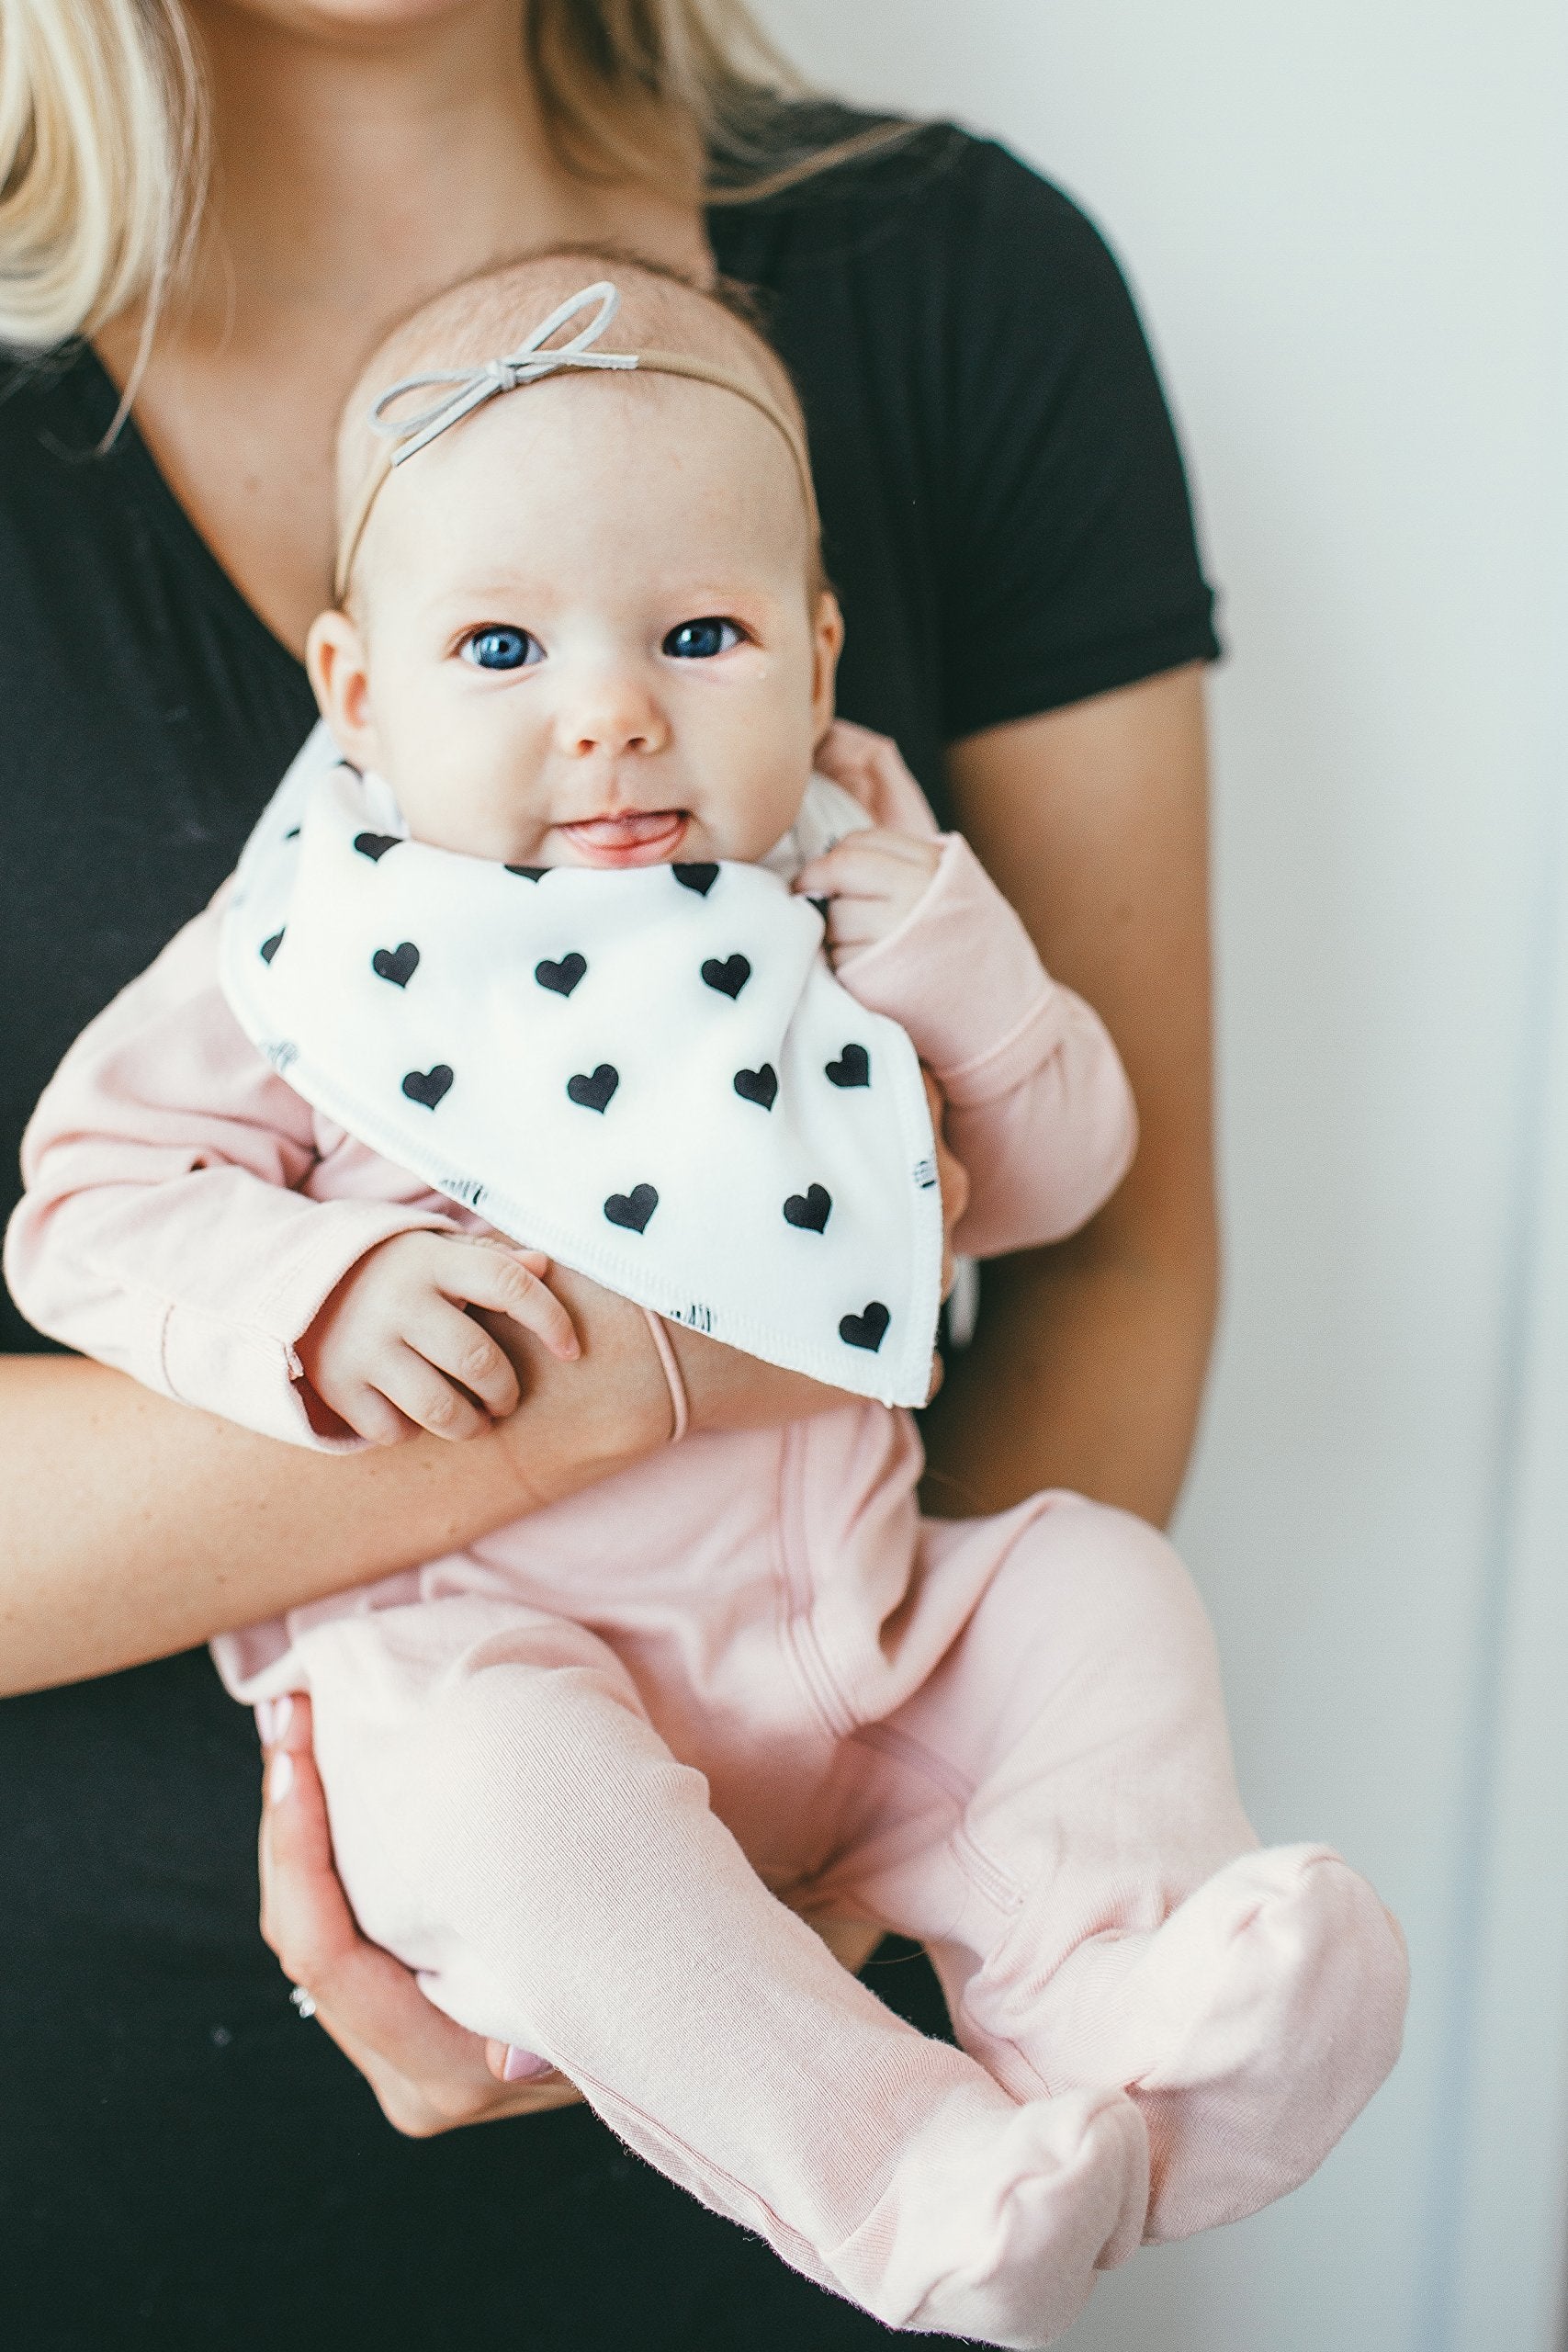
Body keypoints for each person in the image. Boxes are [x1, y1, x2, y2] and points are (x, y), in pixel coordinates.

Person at [7, 250, 1405, 2346]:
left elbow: (1059, 1179)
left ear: (815, 652)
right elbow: (87, 1202)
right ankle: (898, 2166)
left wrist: (947, 950)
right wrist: (318, 1284)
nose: (610, 709)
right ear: (357, 688)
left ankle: (1121, 2002)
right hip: (487, 1675)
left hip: (853, 1634)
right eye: (500, 644)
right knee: (494, 1798)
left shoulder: (853, 870)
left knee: (1084, 1590)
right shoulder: (302, 947)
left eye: (699, 634)